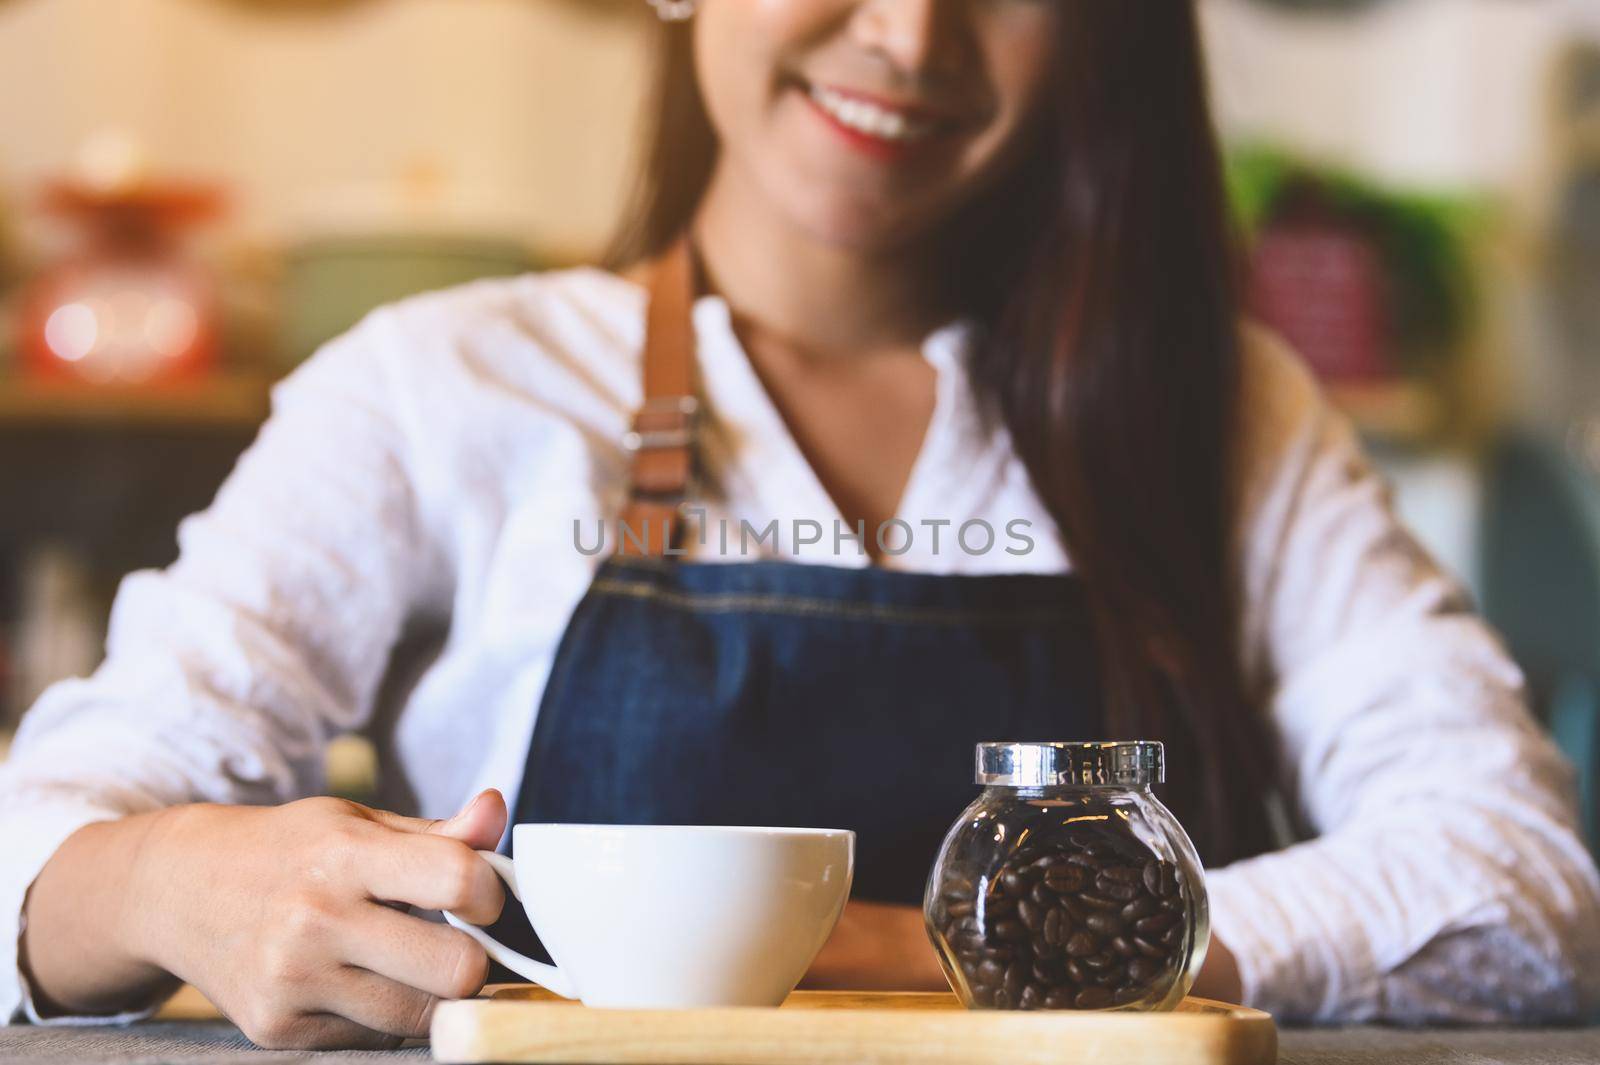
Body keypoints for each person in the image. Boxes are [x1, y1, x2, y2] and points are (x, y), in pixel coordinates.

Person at [4, 0, 1598, 1050]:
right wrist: (168, 881)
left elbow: (1522, 880)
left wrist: (938, 956)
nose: (909, 34)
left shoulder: (1223, 413)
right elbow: (42, 841)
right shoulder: (441, 387)